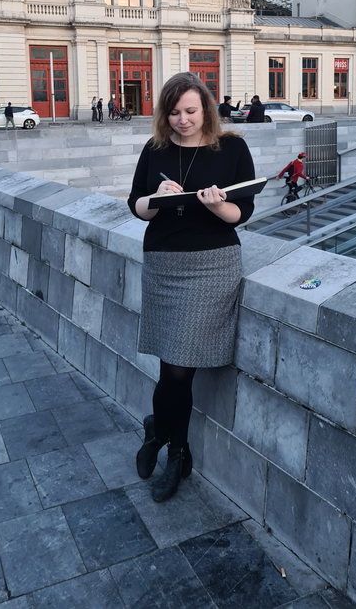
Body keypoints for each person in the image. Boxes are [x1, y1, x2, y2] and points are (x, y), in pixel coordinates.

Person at [128, 72, 256, 502]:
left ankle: (171, 446)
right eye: (174, 112)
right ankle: (163, 436)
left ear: (206, 108)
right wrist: (157, 196)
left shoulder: (233, 147)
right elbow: (136, 206)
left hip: (213, 265)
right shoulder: (155, 149)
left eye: (191, 111)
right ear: (164, 114)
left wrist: (220, 204)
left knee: (179, 369)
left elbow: (243, 213)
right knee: (170, 365)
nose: (183, 120)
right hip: (163, 264)